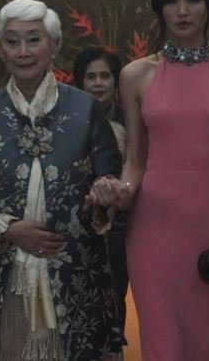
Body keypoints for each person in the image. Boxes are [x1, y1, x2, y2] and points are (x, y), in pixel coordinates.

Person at [87, 0, 209, 360]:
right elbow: (135, 161)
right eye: (171, 0)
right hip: (154, 231)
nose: (182, 11)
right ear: (159, 8)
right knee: (162, 346)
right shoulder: (135, 75)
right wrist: (119, 192)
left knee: (208, 348)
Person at [0, 0, 124, 361]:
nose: (23, 52)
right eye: (12, 41)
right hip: (2, 278)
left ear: (54, 45)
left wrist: (105, 195)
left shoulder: (85, 109)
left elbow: (109, 176)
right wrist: (9, 230)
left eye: (34, 40)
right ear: (0, 49)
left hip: (75, 276)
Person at [73, 47, 128, 343]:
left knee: (115, 292)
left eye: (105, 76)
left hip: (121, 222)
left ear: (115, 81)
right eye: (90, 76)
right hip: (75, 220)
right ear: (80, 81)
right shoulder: (68, 120)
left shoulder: (130, 120)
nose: (98, 83)